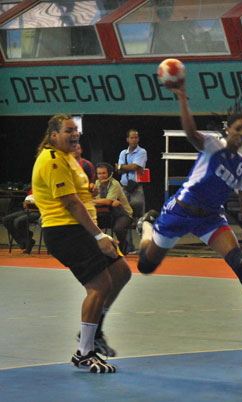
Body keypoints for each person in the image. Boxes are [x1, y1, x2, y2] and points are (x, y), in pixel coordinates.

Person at [136, 79, 242, 342]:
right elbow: (190, 133)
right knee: (146, 265)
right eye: (238, 129)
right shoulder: (212, 145)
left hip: (210, 217)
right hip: (179, 212)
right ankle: (147, 225)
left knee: (241, 264)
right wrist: (183, 99)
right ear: (228, 129)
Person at [32, 114, 132, 373]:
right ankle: (84, 353)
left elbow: (80, 195)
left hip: (81, 228)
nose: (74, 134)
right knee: (99, 285)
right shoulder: (53, 160)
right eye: (68, 130)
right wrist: (99, 236)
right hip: (65, 230)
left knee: (121, 272)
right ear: (54, 135)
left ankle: (94, 331)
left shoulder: (67, 157)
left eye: (75, 130)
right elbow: (71, 203)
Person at [115, 129, 147, 253]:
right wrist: (123, 168)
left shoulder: (142, 152)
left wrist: (122, 167)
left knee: (139, 217)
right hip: (124, 188)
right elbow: (118, 170)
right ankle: (129, 247)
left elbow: (136, 167)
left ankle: (144, 246)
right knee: (125, 217)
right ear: (127, 139)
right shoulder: (123, 153)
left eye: (136, 137)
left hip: (136, 188)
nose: (134, 140)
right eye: (132, 138)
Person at [93, 162, 134, 255]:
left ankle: (123, 246)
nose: (101, 176)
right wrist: (100, 201)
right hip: (108, 212)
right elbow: (102, 202)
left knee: (118, 228)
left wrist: (94, 201)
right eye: (99, 173)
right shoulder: (97, 183)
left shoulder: (115, 184)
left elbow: (107, 202)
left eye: (104, 173)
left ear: (110, 173)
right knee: (92, 226)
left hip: (123, 213)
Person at [2, 189, 39, 254]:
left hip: (38, 211)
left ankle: (27, 240)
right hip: (28, 209)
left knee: (18, 221)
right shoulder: (35, 186)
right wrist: (26, 203)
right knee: (6, 220)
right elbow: (29, 198)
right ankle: (24, 241)